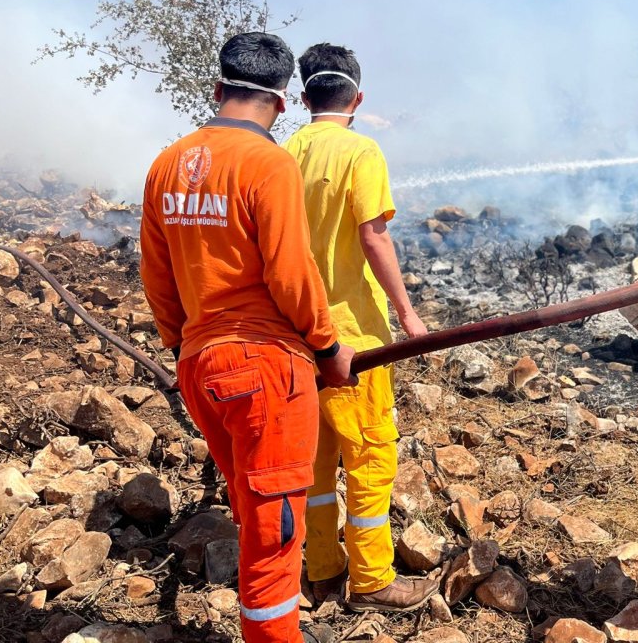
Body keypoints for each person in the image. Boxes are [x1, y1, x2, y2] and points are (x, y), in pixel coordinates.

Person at [140, 32, 356, 643]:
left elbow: (157, 277)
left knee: (252, 509)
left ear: (217, 89)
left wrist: (184, 344)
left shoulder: (166, 164)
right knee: (274, 532)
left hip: (199, 365)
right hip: (267, 371)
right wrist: (328, 347)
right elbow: (291, 273)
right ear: (282, 104)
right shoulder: (270, 163)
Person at [283, 43, 437, 612]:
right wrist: (408, 313)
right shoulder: (361, 150)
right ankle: (373, 581)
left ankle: (322, 571)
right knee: (371, 457)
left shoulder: (283, 150)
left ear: (303, 98)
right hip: (355, 338)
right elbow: (374, 236)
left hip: (299, 336)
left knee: (317, 462)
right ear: (358, 96)